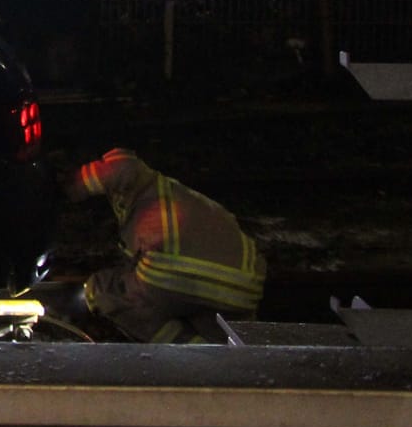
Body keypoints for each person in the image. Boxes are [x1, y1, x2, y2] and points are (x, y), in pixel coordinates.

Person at [64, 147, 266, 344]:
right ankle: (211, 360)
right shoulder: (166, 192)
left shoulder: (131, 180)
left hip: (181, 275)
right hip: (245, 284)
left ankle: (182, 355)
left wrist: (69, 184)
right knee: (217, 335)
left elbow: (121, 169)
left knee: (112, 294)